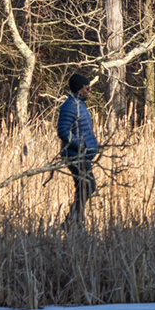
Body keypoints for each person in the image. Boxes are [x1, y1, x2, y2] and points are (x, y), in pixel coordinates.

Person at [56, 72, 98, 226]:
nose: (89, 91)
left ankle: (75, 221)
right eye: (87, 88)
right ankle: (71, 222)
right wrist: (80, 145)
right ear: (79, 89)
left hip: (83, 155)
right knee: (87, 186)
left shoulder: (79, 105)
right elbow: (63, 131)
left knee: (86, 186)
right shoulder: (70, 106)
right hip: (75, 155)